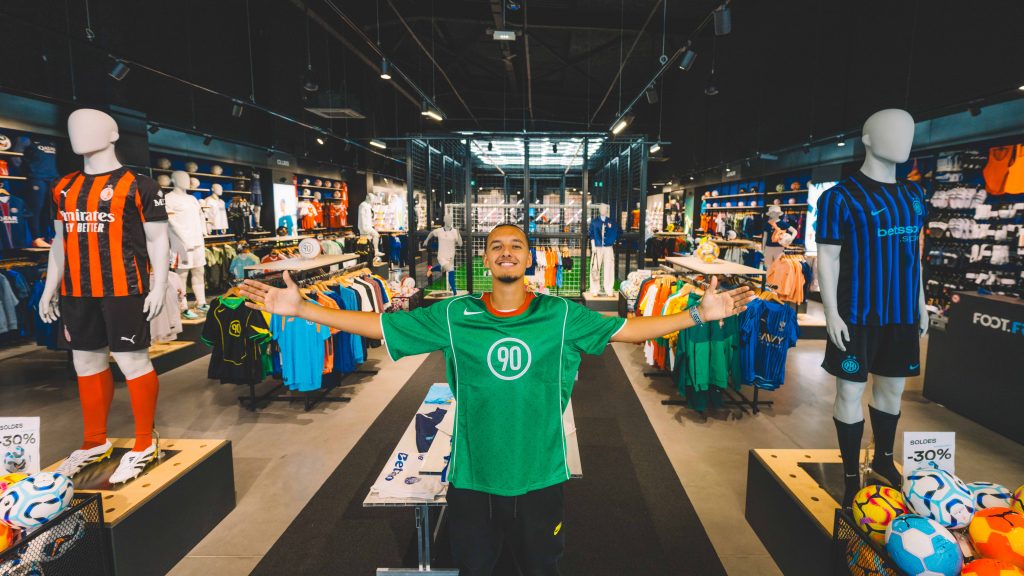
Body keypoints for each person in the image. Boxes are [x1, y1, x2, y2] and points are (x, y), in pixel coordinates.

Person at [239, 223, 753, 576]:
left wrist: (698, 315)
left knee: (541, 567)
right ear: (485, 259)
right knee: (475, 568)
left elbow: (630, 329)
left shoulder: (561, 315)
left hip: (541, 476)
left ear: (529, 258)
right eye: (497, 246)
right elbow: (380, 325)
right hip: (472, 477)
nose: (507, 252)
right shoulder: (453, 315)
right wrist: (303, 309)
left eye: (516, 246)